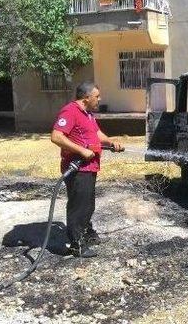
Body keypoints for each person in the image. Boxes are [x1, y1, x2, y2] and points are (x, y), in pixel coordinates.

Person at [50, 81, 124, 257]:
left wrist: (112, 142)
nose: (99, 99)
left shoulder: (88, 114)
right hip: (77, 167)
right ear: (86, 98)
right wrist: (82, 150)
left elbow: (97, 134)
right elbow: (56, 136)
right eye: (97, 96)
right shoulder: (70, 111)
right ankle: (76, 244)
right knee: (79, 205)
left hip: (89, 166)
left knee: (88, 203)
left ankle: (87, 233)